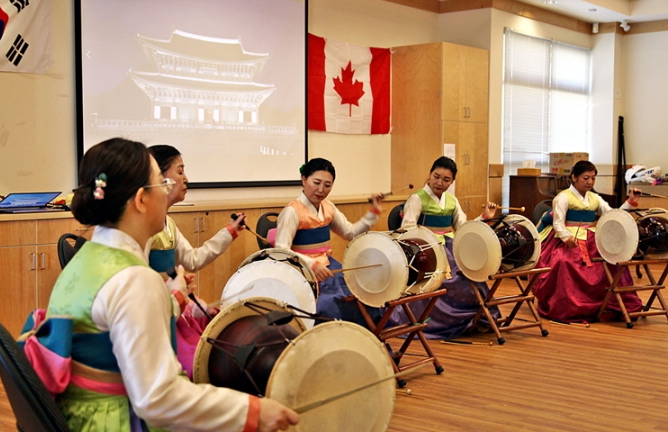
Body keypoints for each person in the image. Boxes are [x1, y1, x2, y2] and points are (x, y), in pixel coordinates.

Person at [40, 138, 298, 431]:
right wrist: (251, 411)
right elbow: (157, 398)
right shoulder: (134, 279)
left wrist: (173, 297)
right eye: (161, 185)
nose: (168, 192)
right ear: (140, 200)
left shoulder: (87, 259)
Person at [146, 144, 246, 378]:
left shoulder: (167, 224)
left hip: (174, 303)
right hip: (159, 314)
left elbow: (192, 259)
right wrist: (179, 295)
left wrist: (229, 232)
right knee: (198, 362)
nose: (186, 178)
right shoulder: (146, 227)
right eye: (180, 172)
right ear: (159, 178)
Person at [390, 156, 499, 339]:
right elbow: (407, 229)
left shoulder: (451, 201)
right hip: (426, 249)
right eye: (436, 176)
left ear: (452, 181)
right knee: (451, 279)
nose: (440, 182)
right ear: (430, 174)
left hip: (450, 247)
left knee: (472, 273)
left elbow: (463, 227)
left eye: (446, 179)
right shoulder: (417, 198)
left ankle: (475, 318)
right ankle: (439, 323)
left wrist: (484, 217)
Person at [273, 158, 384, 326]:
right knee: (330, 303)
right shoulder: (291, 212)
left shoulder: (328, 207)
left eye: (327, 185)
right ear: (304, 179)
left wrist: (373, 212)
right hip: (303, 272)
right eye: (316, 182)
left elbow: (350, 232)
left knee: (361, 293)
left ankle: (361, 340)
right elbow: (281, 251)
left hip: (327, 267)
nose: (321, 190)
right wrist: (311, 264)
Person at [533, 160, 643, 322]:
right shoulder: (563, 197)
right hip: (567, 236)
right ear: (574, 177)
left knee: (612, 262)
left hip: (592, 237)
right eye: (586, 178)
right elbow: (558, 222)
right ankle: (571, 305)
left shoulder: (595, 198)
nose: (590, 182)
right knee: (565, 262)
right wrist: (566, 237)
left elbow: (612, 215)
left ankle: (608, 303)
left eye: (593, 178)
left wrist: (630, 202)